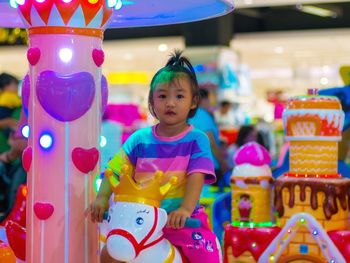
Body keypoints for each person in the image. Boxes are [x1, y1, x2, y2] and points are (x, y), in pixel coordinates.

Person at [90, 51, 221, 263]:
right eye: (162, 96)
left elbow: (197, 176)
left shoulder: (197, 139)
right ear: (151, 100)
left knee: (205, 255)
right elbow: (113, 171)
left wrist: (185, 209)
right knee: (108, 255)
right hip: (139, 221)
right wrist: (102, 198)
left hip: (178, 220)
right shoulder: (139, 139)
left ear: (193, 101)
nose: (170, 103)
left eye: (179, 96)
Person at [188, 88, 229, 186]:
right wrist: (223, 163)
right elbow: (211, 143)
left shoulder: (190, 116)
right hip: (210, 166)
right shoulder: (203, 115)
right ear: (204, 99)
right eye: (210, 99)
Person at [0, 73, 22, 153]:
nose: (17, 87)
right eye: (15, 84)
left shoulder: (3, 95)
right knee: (9, 131)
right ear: (6, 86)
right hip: (4, 115)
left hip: (6, 117)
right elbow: (19, 102)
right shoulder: (8, 96)